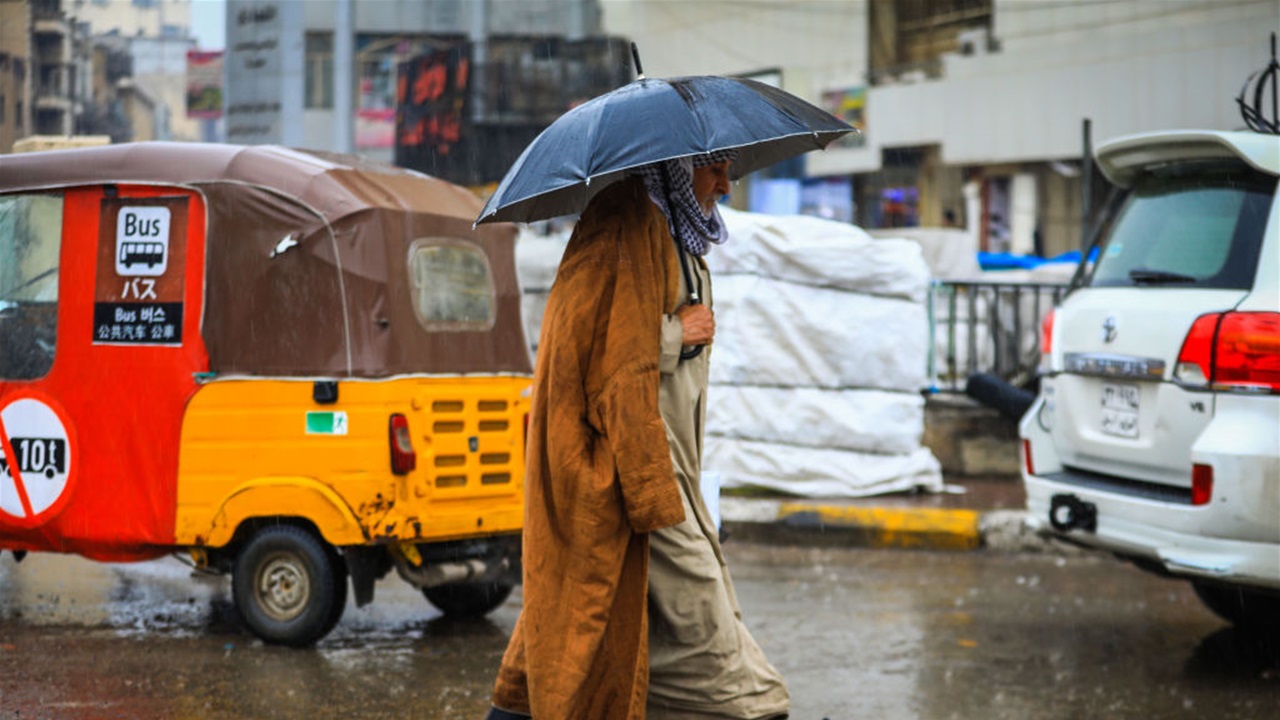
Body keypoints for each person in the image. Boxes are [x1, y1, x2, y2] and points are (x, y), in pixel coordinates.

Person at [487, 152, 790, 720]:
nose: (727, 182)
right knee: (721, 660)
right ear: (677, 167)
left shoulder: (680, 235)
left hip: (675, 472)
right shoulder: (624, 222)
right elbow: (586, 349)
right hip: (640, 476)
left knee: (577, 629)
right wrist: (677, 332)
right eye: (713, 167)